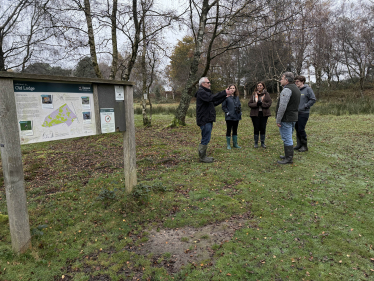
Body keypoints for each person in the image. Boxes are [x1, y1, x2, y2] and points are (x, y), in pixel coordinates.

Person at [195, 77, 233, 163]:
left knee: (207, 137)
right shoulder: (201, 92)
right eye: (208, 82)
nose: (210, 84)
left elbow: (214, 102)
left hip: (208, 119)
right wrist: (224, 92)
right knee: (205, 138)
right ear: (203, 84)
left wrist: (225, 96)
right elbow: (211, 98)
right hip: (204, 120)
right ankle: (202, 157)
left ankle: (203, 156)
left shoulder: (205, 93)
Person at [275, 72, 301, 164]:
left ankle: (288, 158)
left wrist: (278, 119)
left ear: (286, 80)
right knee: (288, 136)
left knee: (287, 138)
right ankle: (287, 155)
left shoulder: (287, 90)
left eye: (281, 78)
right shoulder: (296, 89)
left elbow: (282, 106)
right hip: (293, 117)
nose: (280, 80)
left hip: (286, 118)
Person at [294, 75, 316, 152]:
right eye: (295, 81)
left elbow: (313, 99)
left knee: (301, 129)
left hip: (304, 113)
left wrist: (305, 106)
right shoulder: (296, 90)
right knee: (297, 128)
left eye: (297, 81)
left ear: (302, 82)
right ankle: (299, 144)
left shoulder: (308, 89)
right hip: (296, 113)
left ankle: (304, 146)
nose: (296, 83)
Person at [248, 82, 272, 148]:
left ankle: (262, 143)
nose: (259, 87)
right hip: (255, 114)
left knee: (263, 128)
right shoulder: (253, 94)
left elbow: (269, 103)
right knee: (256, 128)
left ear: (263, 86)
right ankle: (256, 143)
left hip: (264, 114)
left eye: (260, 86)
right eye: (258, 86)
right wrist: (256, 104)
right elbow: (249, 104)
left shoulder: (266, 94)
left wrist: (262, 104)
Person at [221, 84, 242, 149]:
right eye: (231, 88)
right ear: (229, 89)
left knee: (235, 130)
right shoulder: (226, 97)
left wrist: (240, 111)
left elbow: (239, 105)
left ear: (235, 89)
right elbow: (223, 106)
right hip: (229, 117)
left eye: (233, 88)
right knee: (229, 130)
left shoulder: (237, 97)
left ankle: (235, 144)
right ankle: (228, 145)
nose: (232, 89)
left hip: (236, 116)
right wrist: (227, 112)